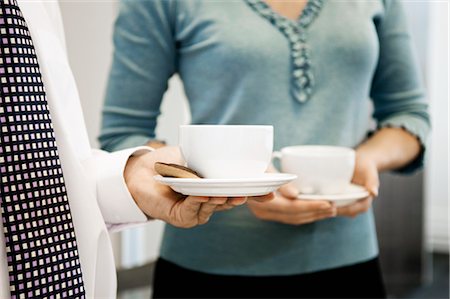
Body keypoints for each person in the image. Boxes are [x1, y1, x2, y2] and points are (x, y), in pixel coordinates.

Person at [100, 0, 430, 298]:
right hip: (211, 264)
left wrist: (362, 160)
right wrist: (225, 181)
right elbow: (124, 135)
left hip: (350, 261)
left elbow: (410, 115)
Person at [0, 1, 262, 298]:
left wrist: (130, 179)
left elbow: (35, 170)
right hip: (209, 262)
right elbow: (122, 127)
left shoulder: (35, 6)